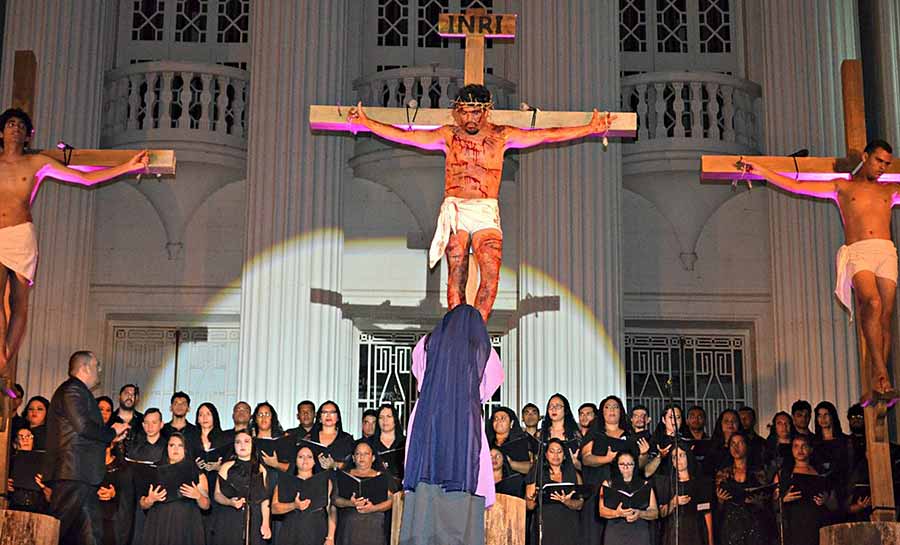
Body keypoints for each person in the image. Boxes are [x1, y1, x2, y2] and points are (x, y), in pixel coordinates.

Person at [347, 86, 616, 322]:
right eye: (464, 112)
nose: (469, 118)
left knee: (491, 274)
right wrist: (367, 122)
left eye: (475, 112)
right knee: (456, 273)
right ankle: (455, 328)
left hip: (486, 210)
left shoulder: (502, 136)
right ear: (456, 112)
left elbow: (548, 134)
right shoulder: (448, 136)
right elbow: (406, 136)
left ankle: (477, 329)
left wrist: (590, 128)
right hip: (456, 209)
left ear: (486, 111)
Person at [742, 140, 897, 396]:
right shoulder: (842, 187)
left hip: (885, 251)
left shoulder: (890, 189)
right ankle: (880, 373)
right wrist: (761, 170)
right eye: (878, 161)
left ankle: (879, 380)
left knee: (885, 316)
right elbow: (797, 185)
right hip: (859, 252)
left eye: (887, 164)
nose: (882, 167)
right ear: (866, 156)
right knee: (872, 304)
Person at [0, 108, 149, 369]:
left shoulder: (36, 163)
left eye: (22, 126)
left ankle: (4, 358)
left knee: (19, 301)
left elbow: (84, 177)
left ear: (27, 137)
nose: (16, 128)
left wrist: (126, 166)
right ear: (1, 132)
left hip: (20, 233)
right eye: (11, 124)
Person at [399, 304, 504, 545]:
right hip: (464, 418)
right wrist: (471, 394)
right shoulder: (479, 346)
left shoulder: (427, 343)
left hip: (428, 415)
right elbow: (495, 377)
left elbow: (418, 372)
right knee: (467, 477)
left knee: (424, 493)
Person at [43, 351, 129, 545]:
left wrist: (110, 438)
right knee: (57, 531)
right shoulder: (72, 390)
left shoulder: (79, 392)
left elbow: (84, 433)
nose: (99, 370)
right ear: (84, 368)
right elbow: (83, 427)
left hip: (84, 476)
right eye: (97, 365)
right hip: (73, 474)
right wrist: (112, 432)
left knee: (91, 535)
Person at [581, 396, 650, 545]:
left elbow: (640, 466)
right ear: (602, 412)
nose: (611, 410)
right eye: (607, 407)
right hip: (597, 489)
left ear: (621, 412)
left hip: (623, 493)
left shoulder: (630, 437)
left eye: (615, 407)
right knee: (595, 535)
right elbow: (586, 458)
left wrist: (644, 454)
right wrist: (607, 459)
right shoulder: (594, 433)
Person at [139, 432, 209, 545]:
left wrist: (198, 496)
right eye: (171, 445)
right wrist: (150, 500)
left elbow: (206, 505)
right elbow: (142, 503)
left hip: (186, 523)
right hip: (159, 522)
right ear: (167, 448)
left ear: (185, 449)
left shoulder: (196, 472)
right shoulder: (154, 470)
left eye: (180, 445)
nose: (175, 449)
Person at [212, 429, 272, 545]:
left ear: (252, 444)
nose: (242, 445)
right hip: (230, 517)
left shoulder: (260, 469)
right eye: (238, 442)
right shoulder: (226, 467)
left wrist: (265, 523)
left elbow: (265, 499)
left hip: (254, 517)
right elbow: (217, 494)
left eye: (246, 441)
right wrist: (230, 502)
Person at [714, 432, 774, 545]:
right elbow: (716, 507)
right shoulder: (723, 473)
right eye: (732, 444)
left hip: (755, 524)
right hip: (731, 525)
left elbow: (768, 502)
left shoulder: (759, 473)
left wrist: (759, 502)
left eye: (740, 443)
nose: (736, 447)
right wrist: (720, 500)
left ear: (747, 446)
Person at [775, 435, 836, 545]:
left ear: (811, 449)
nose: (800, 450)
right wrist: (783, 499)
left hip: (818, 522)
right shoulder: (783, 473)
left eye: (804, 446)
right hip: (794, 524)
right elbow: (772, 502)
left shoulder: (821, 472)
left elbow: (835, 504)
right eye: (796, 446)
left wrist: (826, 500)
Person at [333, 440, 396, 545]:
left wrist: (373, 508)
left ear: (373, 458)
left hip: (374, 526)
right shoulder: (344, 475)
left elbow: (391, 500)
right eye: (358, 454)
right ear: (353, 458)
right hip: (349, 527)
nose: (362, 457)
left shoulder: (381, 476)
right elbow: (335, 499)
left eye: (366, 454)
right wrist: (350, 503)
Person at [271, 445, 337, 545]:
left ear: (315, 461)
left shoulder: (325, 481)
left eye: (309, 457)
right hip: (291, 530)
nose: (305, 460)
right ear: (295, 461)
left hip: (317, 529)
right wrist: (294, 505)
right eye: (301, 457)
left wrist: (330, 538)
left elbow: (331, 509)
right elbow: (274, 508)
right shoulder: (285, 481)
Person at [525, 437, 584, 545]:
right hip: (546, 525)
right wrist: (532, 499)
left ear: (565, 455)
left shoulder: (575, 475)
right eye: (552, 451)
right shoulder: (537, 474)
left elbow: (580, 504)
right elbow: (529, 506)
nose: (556, 455)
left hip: (569, 526)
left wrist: (568, 502)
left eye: (559, 452)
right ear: (546, 455)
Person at [654, 446, 714, 545]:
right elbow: (660, 513)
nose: (678, 459)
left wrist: (711, 541)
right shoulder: (666, 484)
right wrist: (673, 502)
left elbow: (707, 513)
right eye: (674, 457)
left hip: (696, 533)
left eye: (681, 455)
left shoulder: (700, 483)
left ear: (688, 457)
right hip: (673, 534)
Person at [599, 451, 658, 545]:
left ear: (635, 466)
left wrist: (640, 513)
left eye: (630, 464)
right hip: (615, 532)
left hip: (639, 531)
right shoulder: (608, 484)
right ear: (616, 465)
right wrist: (617, 513)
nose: (625, 467)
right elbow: (602, 511)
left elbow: (654, 512)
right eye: (622, 464)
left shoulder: (644, 485)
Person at [302, 400, 355, 471]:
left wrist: (335, 465)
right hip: (313, 479)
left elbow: (352, 464)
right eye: (324, 412)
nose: (328, 415)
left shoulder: (346, 439)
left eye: (332, 412)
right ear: (319, 418)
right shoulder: (309, 438)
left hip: (338, 480)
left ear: (338, 417)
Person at [7, 426, 50, 513]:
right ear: (15, 444)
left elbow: (51, 497)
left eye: (29, 436)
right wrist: (5, 486)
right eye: (21, 437)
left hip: (38, 509)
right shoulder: (7, 463)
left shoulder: (44, 463)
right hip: (14, 509)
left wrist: (44, 486)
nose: (25, 439)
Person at [98, 443, 133, 545]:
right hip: (92, 517)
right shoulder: (90, 466)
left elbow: (129, 497)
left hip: (113, 521)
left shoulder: (123, 468)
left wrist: (114, 494)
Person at [539, 394, 583, 472]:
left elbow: (585, 468)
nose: (553, 409)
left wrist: (576, 463)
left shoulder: (575, 434)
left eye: (558, 406)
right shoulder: (541, 434)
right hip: (546, 477)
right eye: (551, 406)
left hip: (571, 476)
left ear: (565, 410)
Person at [487, 406, 533, 476]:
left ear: (511, 423)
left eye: (503, 418)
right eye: (495, 418)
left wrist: (511, 463)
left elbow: (530, 467)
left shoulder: (520, 442)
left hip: (514, 484)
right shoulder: (486, 444)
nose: (498, 421)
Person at [251, 401, 291, 472]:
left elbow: (292, 468)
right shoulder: (249, 441)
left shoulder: (283, 440)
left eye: (267, 414)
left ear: (272, 418)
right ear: (256, 419)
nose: (263, 417)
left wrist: (276, 464)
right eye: (260, 414)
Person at [369, 404, 406, 482]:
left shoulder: (405, 443)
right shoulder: (369, 444)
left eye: (389, 416)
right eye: (381, 417)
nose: (385, 420)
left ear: (395, 420)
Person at [161, 391, 200, 458]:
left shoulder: (196, 431)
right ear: (171, 408)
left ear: (188, 408)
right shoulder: (162, 430)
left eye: (183, 404)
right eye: (176, 403)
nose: (179, 406)